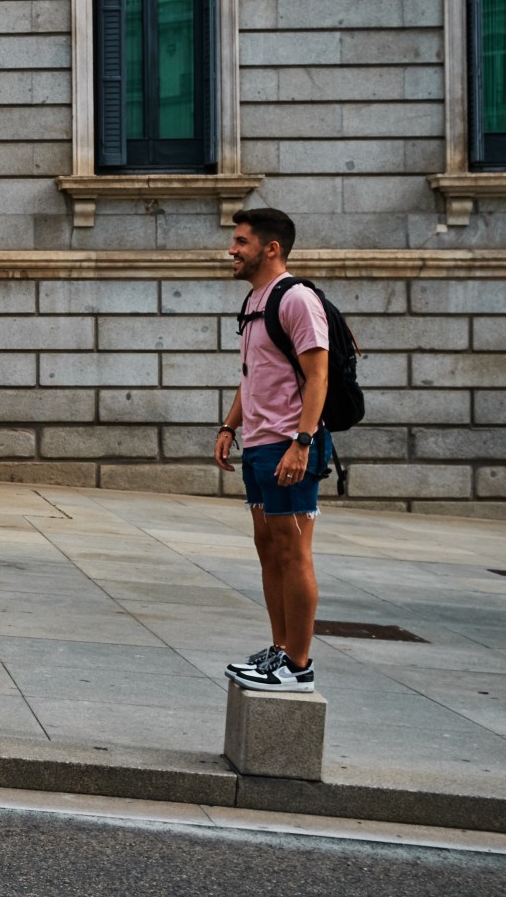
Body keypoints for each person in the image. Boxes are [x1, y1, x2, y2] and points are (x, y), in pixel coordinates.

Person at [215, 207, 331, 693]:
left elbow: (318, 374)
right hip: (260, 443)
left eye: (241, 242)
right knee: (268, 549)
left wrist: (301, 443)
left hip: (290, 443)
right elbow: (254, 373)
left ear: (271, 248)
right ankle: (280, 649)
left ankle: (298, 666)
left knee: (292, 550)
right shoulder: (255, 301)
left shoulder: (296, 299)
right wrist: (229, 426)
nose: (231, 250)